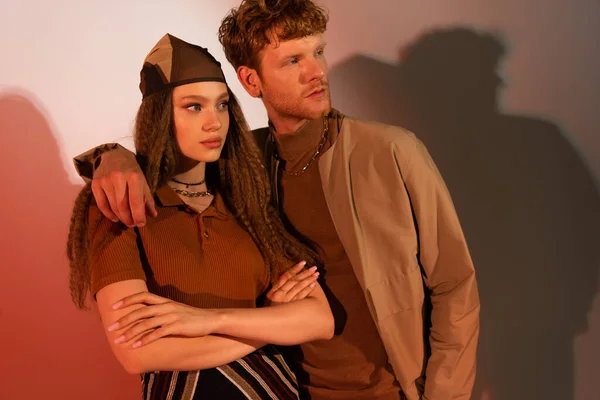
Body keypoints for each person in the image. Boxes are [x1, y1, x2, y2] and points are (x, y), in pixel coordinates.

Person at [74, 1, 480, 399]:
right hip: (291, 386)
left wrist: (445, 395)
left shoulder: (391, 151)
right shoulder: (245, 171)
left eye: (318, 51)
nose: (317, 71)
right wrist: (110, 156)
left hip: (391, 390)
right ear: (251, 82)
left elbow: (453, 284)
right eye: (292, 60)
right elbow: (137, 349)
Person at [66, 33, 334, 400]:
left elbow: (320, 320)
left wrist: (206, 321)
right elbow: (138, 352)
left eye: (222, 105)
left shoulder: (246, 200)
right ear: (160, 115)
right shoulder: (118, 205)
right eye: (194, 107)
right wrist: (268, 322)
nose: (215, 123)